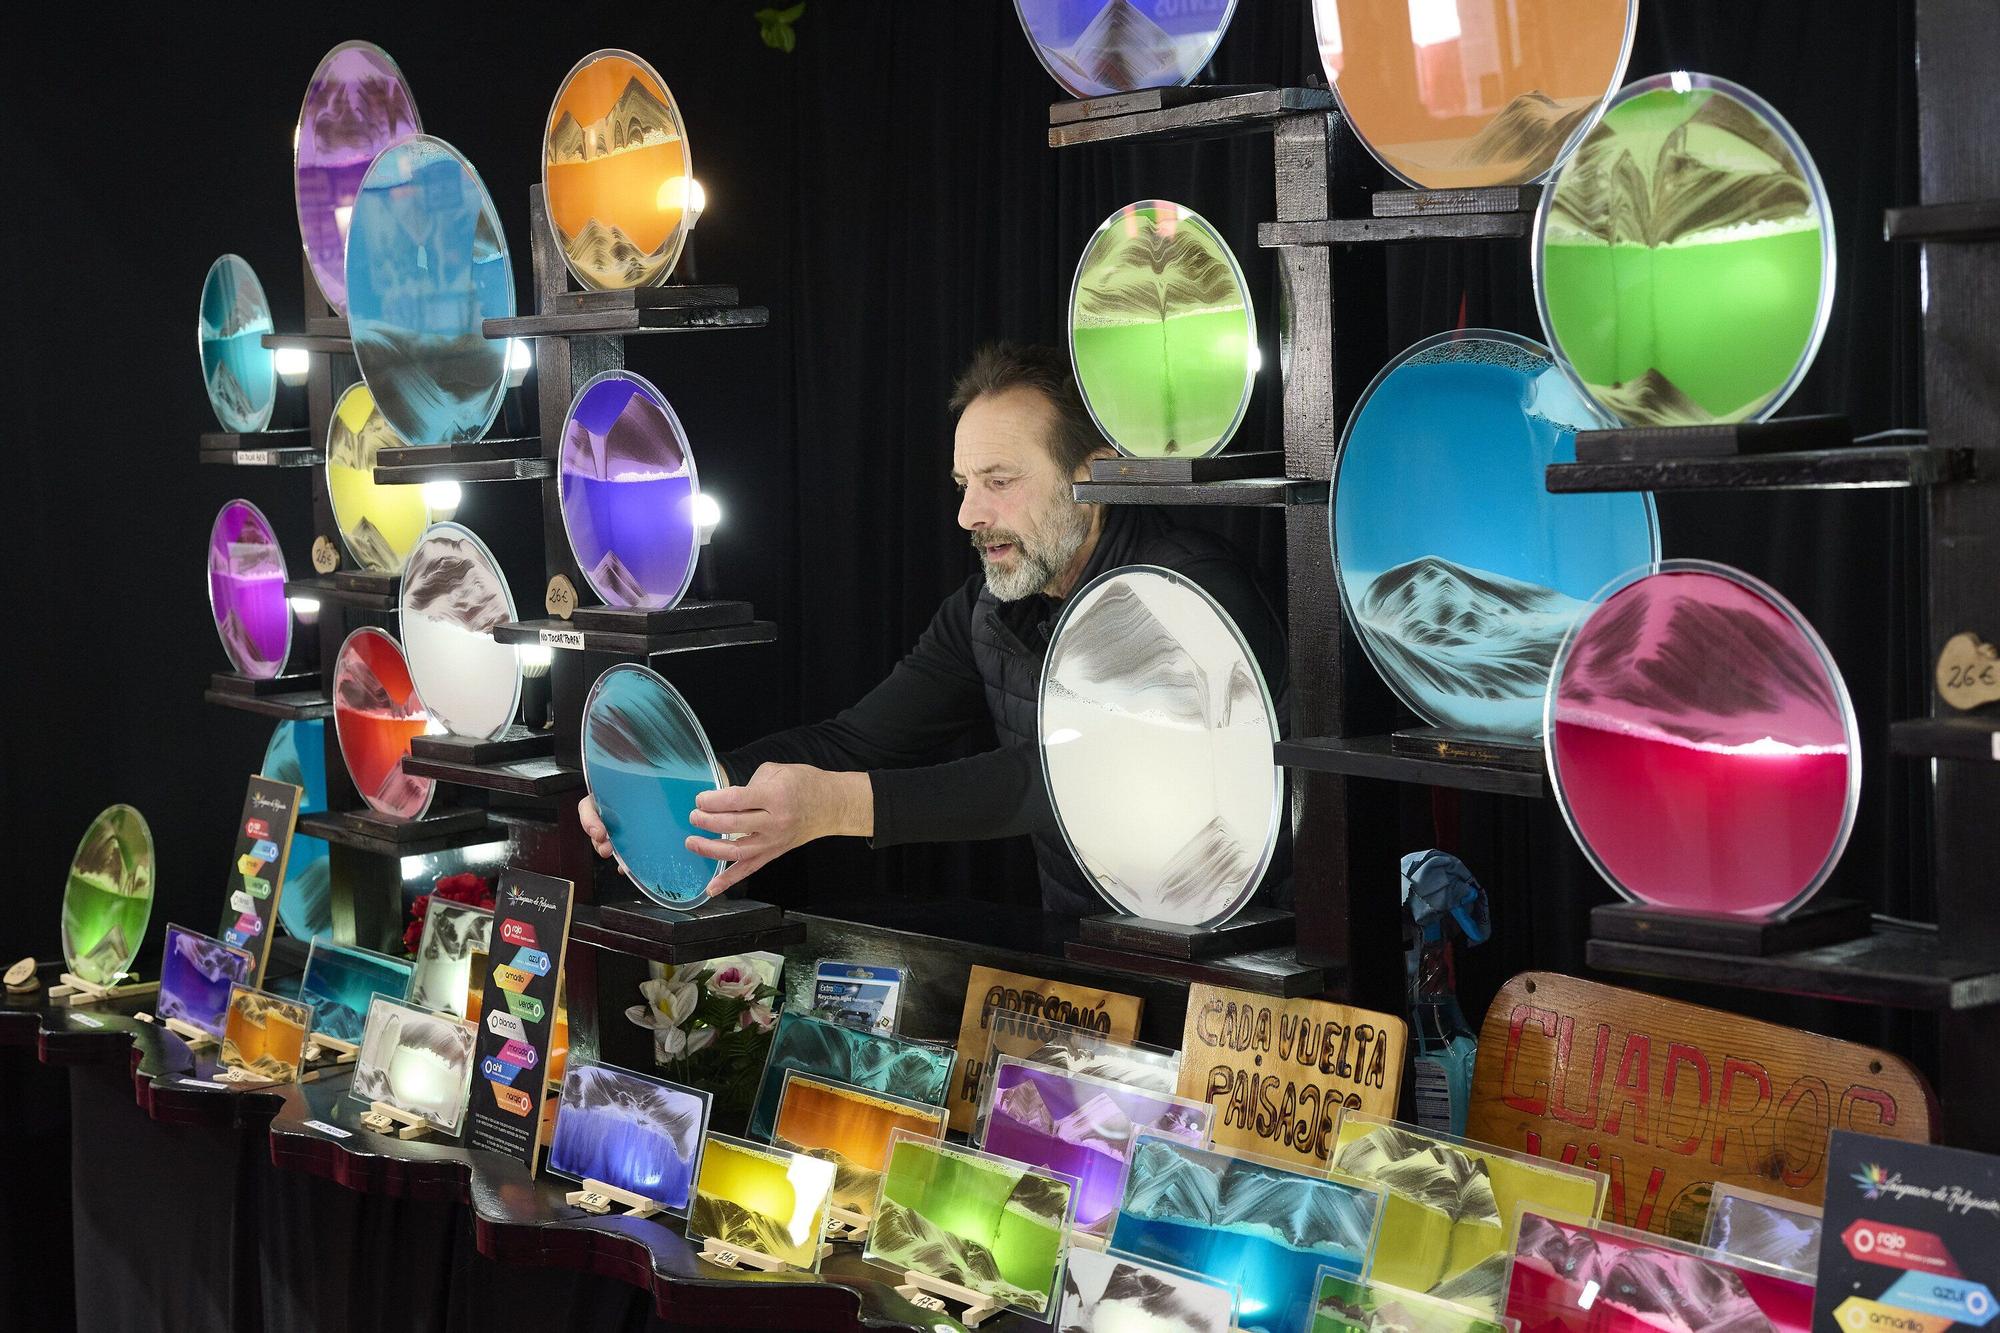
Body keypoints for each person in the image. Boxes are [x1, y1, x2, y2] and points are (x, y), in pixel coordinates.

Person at [578, 342, 1288, 914]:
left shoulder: (1190, 587)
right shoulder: (989, 608)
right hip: (1094, 950)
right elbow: (854, 739)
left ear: (1094, 475)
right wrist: (677, 790)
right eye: (962, 485)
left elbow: (1075, 778)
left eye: (1000, 481)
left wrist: (833, 805)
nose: (968, 515)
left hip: (1242, 982)